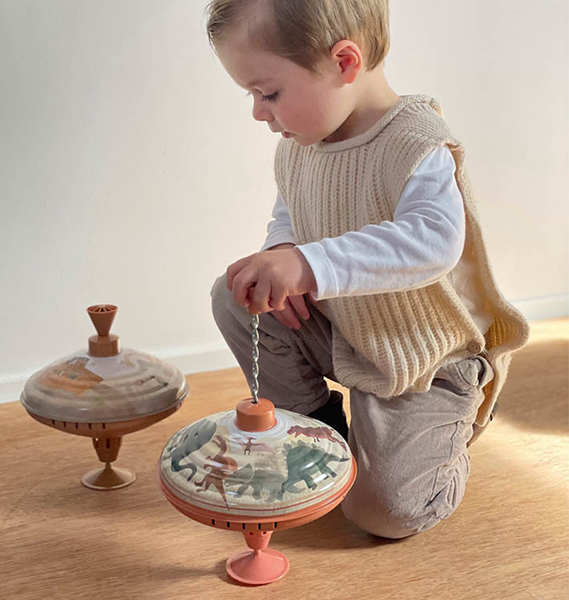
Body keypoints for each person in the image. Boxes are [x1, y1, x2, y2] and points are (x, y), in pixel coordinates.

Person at [206, 0, 530, 539]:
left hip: (426, 361)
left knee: (383, 513)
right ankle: (317, 434)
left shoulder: (416, 142)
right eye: (252, 96)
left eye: (269, 93)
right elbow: (292, 212)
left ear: (344, 62)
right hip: (350, 333)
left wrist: (307, 264)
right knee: (237, 296)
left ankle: (447, 439)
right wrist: (283, 248)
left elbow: (432, 241)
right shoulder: (301, 146)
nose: (259, 113)